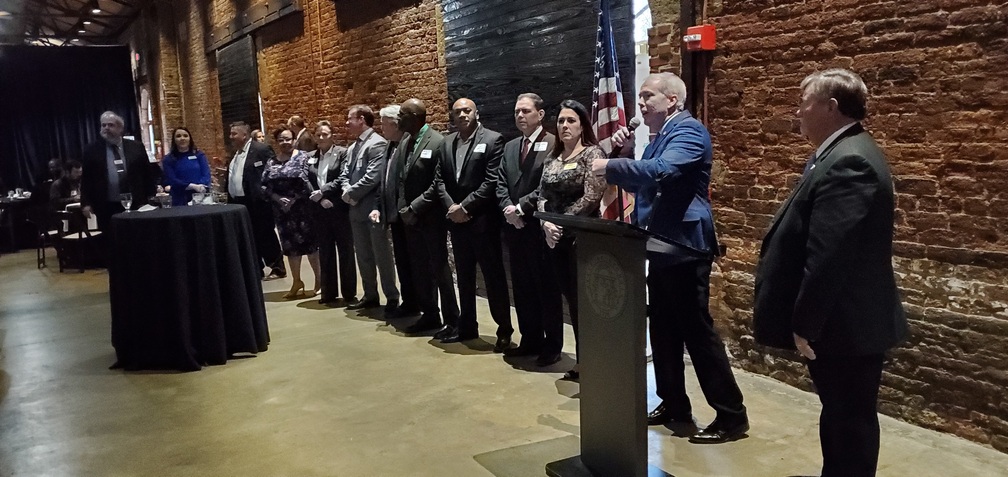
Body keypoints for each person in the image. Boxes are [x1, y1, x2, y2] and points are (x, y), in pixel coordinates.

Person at [753, 68, 907, 476]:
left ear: (831, 106)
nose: (798, 113)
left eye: (804, 103)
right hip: (842, 320)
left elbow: (830, 255)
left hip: (844, 322)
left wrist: (806, 322)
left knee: (849, 422)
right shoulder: (839, 151)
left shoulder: (850, 160)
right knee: (840, 416)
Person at [593, 72, 748, 443]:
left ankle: (731, 415)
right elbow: (642, 183)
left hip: (684, 246)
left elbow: (663, 172)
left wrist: (609, 166)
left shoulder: (689, 132)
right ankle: (674, 403)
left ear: (672, 101)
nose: (641, 103)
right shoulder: (659, 137)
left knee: (697, 332)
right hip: (658, 243)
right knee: (663, 330)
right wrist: (626, 155)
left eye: (648, 96)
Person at [536, 99, 607, 374]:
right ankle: (581, 359)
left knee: (583, 303)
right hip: (553, 239)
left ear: (582, 126)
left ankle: (590, 361)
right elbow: (541, 195)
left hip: (581, 239)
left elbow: (591, 197)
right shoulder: (553, 157)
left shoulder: (592, 154)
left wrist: (560, 224)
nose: (565, 126)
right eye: (561, 121)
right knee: (565, 298)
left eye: (571, 121)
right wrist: (546, 224)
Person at [433, 98, 511, 349]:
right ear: (452, 117)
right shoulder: (446, 143)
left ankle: (504, 330)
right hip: (457, 223)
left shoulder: (492, 140)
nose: (463, 115)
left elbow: (491, 182)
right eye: (458, 112)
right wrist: (451, 207)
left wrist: (464, 207)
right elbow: (439, 181)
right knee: (464, 278)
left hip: (483, 222)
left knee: (493, 278)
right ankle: (467, 327)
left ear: (477, 113)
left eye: (467, 110)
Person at [498, 93, 556, 358]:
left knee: (545, 288)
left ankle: (552, 346)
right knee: (521, 288)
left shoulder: (553, 143)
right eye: (516, 112)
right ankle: (529, 339)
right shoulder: (510, 146)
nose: (520, 116)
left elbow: (547, 183)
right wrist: (508, 209)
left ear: (540, 114)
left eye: (525, 111)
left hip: (538, 228)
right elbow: (500, 182)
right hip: (514, 228)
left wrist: (521, 207)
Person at [395, 98, 460, 334]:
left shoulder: (437, 141)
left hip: (430, 217)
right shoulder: (405, 140)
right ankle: (430, 314)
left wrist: (415, 207)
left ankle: (453, 319)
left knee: (439, 267)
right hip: (410, 218)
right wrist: (403, 208)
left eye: (402, 114)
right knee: (419, 268)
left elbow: (438, 182)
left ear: (414, 117)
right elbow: (401, 177)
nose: (397, 119)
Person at [337, 105, 400, 313]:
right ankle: (370, 294)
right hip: (355, 210)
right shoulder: (353, 146)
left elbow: (373, 177)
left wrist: (352, 194)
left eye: (350, 118)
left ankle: (391, 297)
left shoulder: (377, 144)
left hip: (371, 209)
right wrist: (346, 191)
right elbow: (345, 172)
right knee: (363, 255)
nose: (347, 123)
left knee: (381, 256)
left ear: (362, 119)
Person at [372, 104, 422, 318]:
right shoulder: (389, 146)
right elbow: (382, 182)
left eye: (384, 124)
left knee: (414, 262)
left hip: (408, 215)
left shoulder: (406, 145)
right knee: (401, 261)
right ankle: (409, 301)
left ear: (395, 124)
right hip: (394, 215)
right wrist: (378, 207)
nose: (381, 128)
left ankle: (420, 303)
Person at [262, 126, 321, 299]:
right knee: (290, 248)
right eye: (281, 139)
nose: (285, 142)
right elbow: (264, 184)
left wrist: (293, 199)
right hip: (282, 212)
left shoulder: (303, 157)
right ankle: (297, 281)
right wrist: (278, 198)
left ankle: (319, 280)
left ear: (294, 140)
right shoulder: (271, 161)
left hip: (303, 209)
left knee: (310, 246)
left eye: (288, 138)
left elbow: (309, 181)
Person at [225, 121, 287, 279]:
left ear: (244, 135)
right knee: (248, 236)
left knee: (264, 234)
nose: (230, 137)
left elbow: (272, 172)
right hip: (239, 202)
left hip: (258, 203)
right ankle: (255, 267)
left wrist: (267, 193)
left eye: (234, 134)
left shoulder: (260, 150)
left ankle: (277, 266)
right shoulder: (236, 153)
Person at [79, 111, 159, 231]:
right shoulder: (91, 150)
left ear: (120, 128)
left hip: (136, 202)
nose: (106, 128)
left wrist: (151, 197)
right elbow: (86, 179)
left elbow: (147, 173)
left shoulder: (136, 147)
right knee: (111, 240)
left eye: (110, 125)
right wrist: (85, 203)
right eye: (103, 125)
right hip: (106, 205)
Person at [307, 120, 358, 307]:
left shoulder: (342, 154)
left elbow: (343, 177)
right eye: (318, 134)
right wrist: (320, 199)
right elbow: (306, 178)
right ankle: (328, 292)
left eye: (325, 134)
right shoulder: (311, 156)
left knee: (345, 252)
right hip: (319, 210)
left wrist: (325, 192)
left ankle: (349, 293)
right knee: (325, 252)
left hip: (339, 209)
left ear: (332, 136)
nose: (321, 138)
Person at [160, 127, 211, 206]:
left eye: (185, 136)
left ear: (190, 138)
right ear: (174, 140)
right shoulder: (168, 159)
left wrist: (200, 187)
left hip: (200, 195)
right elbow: (172, 180)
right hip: (179, 198)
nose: (182, 138)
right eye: (178, 136)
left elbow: (206, 174)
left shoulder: (199, 155)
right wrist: (192, 186)